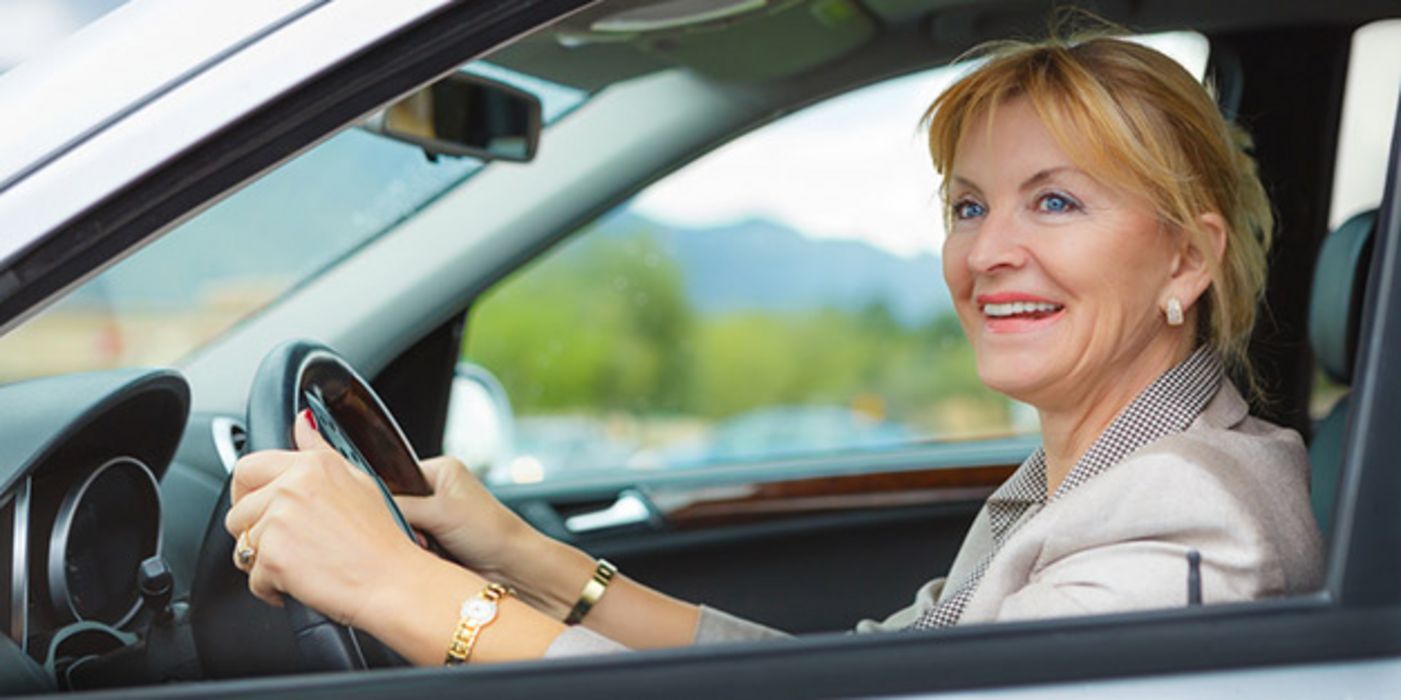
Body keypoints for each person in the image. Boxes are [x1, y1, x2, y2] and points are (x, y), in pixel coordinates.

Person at [224, 32, 1323, 666]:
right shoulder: (1097, 471)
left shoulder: (1189, 508)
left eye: (1056, 202)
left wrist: (393, 586)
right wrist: (517, 551)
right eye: (969, 207)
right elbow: (822, 679)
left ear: (1188, 260)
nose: (992, 252)